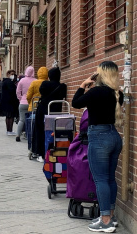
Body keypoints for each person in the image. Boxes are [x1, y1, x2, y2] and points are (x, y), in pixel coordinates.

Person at [72, 61, 123, 233]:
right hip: (114, 136)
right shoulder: (117, 94)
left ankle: (106, 221)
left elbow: (76, 103)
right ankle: (110, 216)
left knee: (100, 179)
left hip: (99, 137)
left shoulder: (96, 91)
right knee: (109, 178)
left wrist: (82, 85)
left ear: (100, 74)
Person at [33, 67, 67, 162]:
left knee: (40, 131)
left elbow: (41, 92)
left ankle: (41, 153)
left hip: (43, 110)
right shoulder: (62, 86)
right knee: (53, 133)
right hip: (56, 112)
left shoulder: (45, 84)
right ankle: (53, 152)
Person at [15, 66, 36, 142]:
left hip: (23, 102)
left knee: (21, 120)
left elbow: (18, 91)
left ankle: (18, 135)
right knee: (32, 120)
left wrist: (20, 99)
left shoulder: (22, 80)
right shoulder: (35, 81)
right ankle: (30, 135)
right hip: (33, 103)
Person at [0, 69, 19, 135]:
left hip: (6, 101)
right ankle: (9, 130)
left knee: (8, 116)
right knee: (10, 116)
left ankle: (8, 130)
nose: (13, 76)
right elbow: (12, 91)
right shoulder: (9, 82)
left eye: (14, 74)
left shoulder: (5, 81)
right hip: (10, 101)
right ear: (8, 74)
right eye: (12, 74)